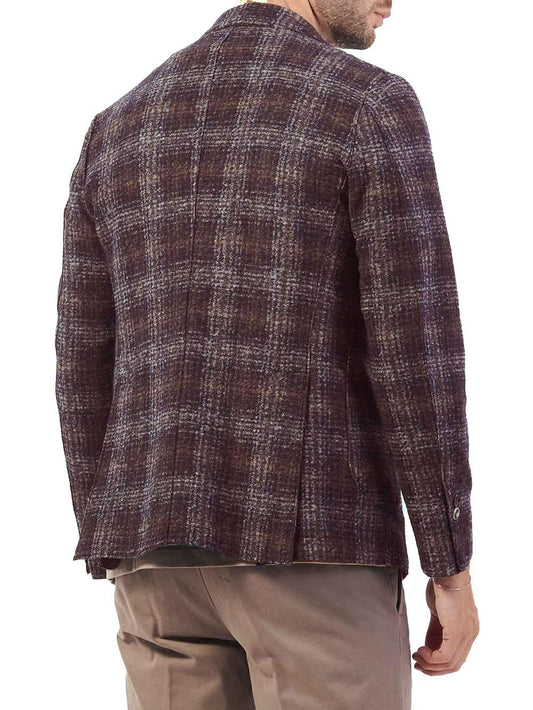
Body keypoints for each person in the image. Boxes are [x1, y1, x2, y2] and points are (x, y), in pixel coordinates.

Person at [55, 1, 480, 707]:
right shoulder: (365, 104)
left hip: (152, 558)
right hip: (315, 551)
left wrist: (112, 526)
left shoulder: (121, 123)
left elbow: (82, 357)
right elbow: (415, 351)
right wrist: (450, 566)